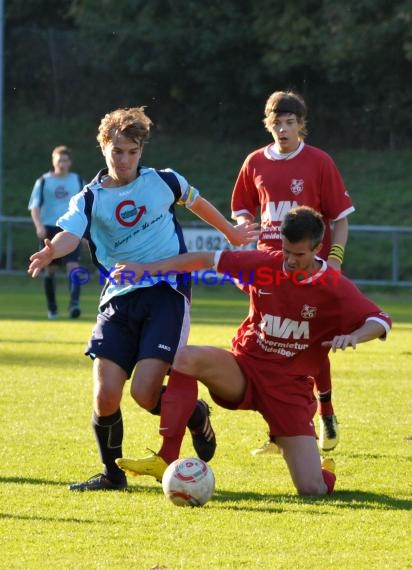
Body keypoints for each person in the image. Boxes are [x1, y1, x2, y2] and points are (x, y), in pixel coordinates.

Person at [28, 106, 259, 492]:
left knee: (144, 393)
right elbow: (70, 233)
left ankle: (195, 413)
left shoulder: (164, 181)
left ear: (141, 151)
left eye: (132, 152)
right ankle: (112, 476)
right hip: (118, 298)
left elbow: (196, 201)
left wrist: (231, 234)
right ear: (103, 148)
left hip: (167, 293)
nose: (125, 159)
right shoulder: (89, 198)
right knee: (105, 396)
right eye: (117, 151)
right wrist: (53, 251)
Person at [113, 206, 391, 495]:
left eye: (300, 255)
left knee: (312, 490)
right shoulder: (266, 264)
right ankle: (167, 456)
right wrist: (146, 270)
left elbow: (380, 320)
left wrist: (355, 336)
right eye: (286, 252)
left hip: (288, 390)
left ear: (317, 248)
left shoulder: (334, 287)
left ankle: (322, 472)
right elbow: (206, 259)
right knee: (187, 357)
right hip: (244, 370)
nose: (291, 261)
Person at [231, 90, 355, 453]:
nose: (282, 130)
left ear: (302, 125)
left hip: (307, 266)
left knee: (310, 339)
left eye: (290, 123)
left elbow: (341, 220)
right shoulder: (254, 162)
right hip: (269, 268)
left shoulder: (319, 162)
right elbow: (243, 208)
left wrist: (333, 260)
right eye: (276, 123)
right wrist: (244, 231)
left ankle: (325, 411)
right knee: (270, 342)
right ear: (267, 125)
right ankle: (282, 431)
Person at [28, 145, 85, 319]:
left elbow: (86, 206)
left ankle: (74, 304)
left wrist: (86, 229)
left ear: (70, 162)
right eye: (59, 160)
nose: (62, 163)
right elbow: (35, 206)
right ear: (53, 161)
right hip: (50, 228)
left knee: (73, 267)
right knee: (50, 270)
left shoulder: (78, 180)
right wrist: (39, 226)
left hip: (71, 228)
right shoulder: (43, 181)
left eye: (65, 160)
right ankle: (52, 308)